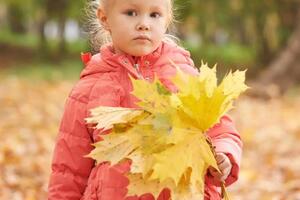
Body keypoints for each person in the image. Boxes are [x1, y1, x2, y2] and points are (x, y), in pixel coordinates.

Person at [47, 0, 242, 199]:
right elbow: (68, 170)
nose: (143, 24)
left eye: (154, 15)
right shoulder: (88, 90)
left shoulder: (184, 76)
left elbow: (220, 128)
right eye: (131, 13)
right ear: (105, 18)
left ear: (167, 20)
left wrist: (224, 154)